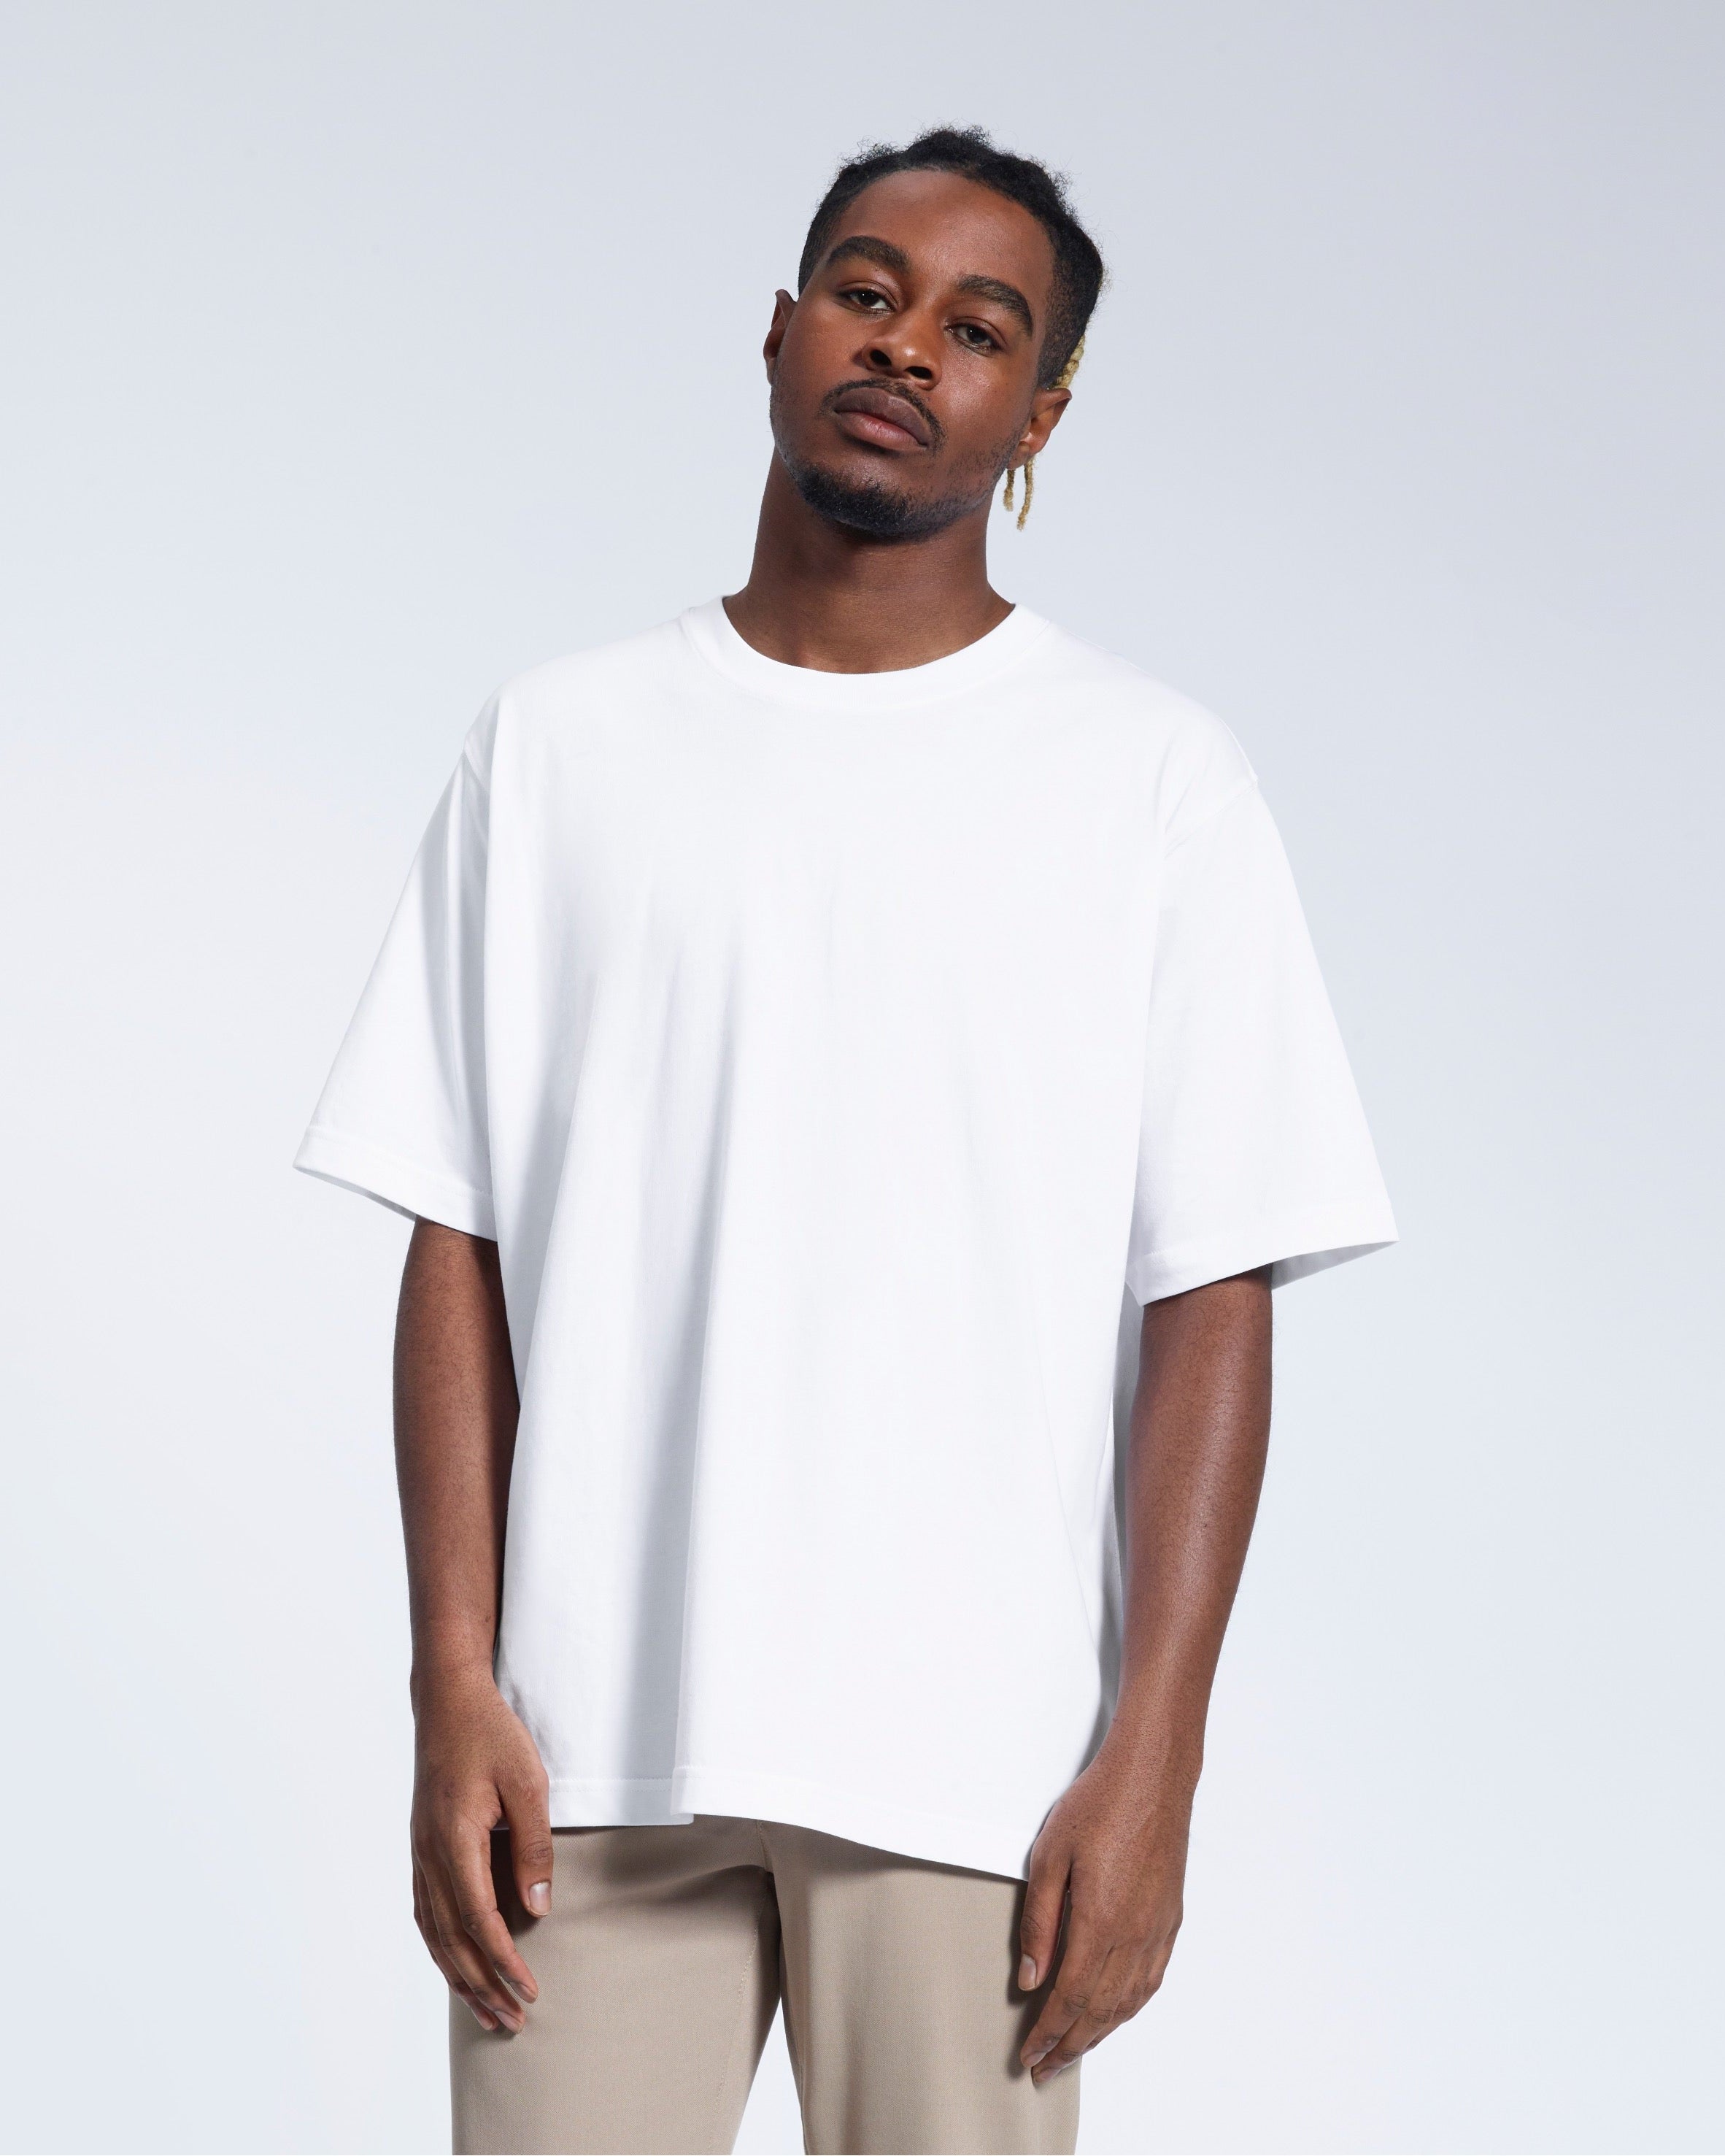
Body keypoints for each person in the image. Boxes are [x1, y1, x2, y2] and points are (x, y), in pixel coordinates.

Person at [295, 125, 1396, 2156]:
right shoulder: (558, 745)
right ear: (782, 329)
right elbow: (453, 1232)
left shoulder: (1149, 782)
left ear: (1035, 412)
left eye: (979, 328)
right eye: (868, 289)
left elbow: (1212, 1289)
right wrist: (453, 1675)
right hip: (584, 1763)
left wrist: (1151, 1758)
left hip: (970, 1776)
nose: (907, 346)